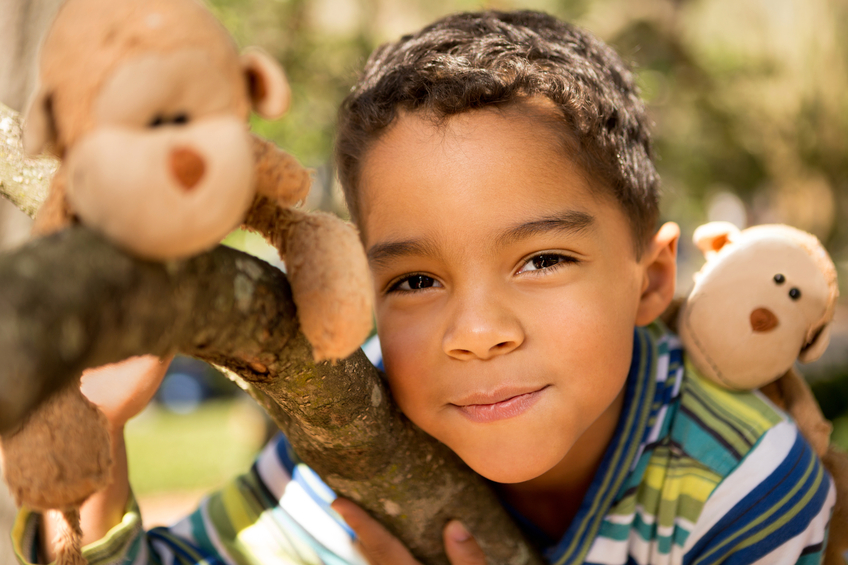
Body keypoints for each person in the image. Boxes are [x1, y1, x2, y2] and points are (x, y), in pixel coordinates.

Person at [11, 10, 834, 565]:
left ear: (651, 280)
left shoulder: (741, 481)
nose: (475, 331)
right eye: (413, 279)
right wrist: (101, 434)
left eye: (542, 260)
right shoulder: (357, 454)